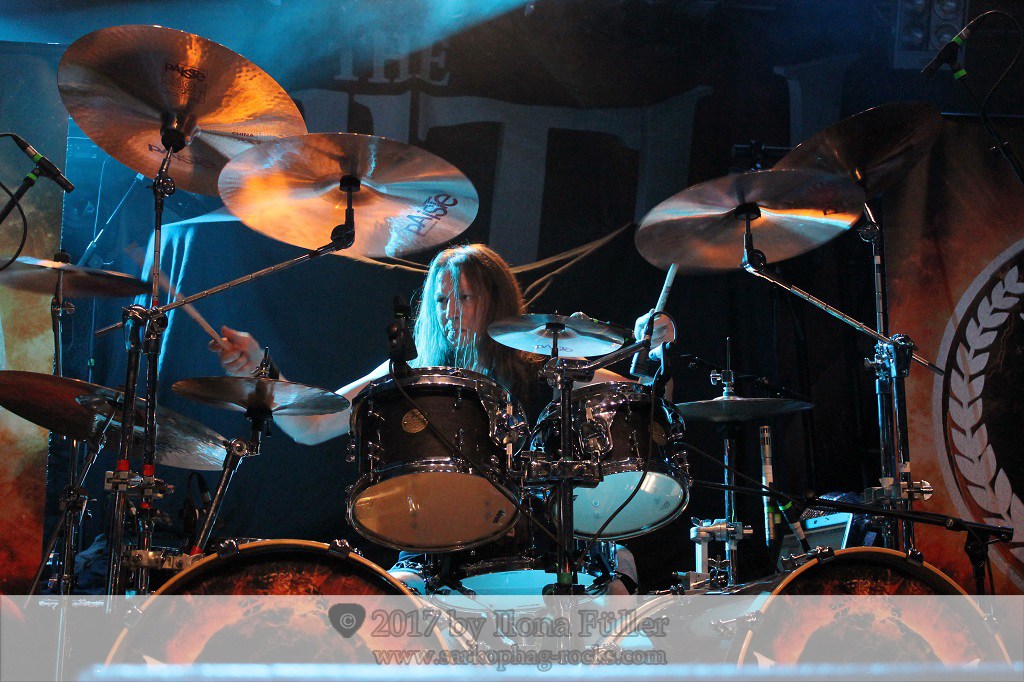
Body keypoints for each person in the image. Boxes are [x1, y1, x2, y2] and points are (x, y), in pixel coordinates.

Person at [210, 243, 672, 594]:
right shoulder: (410, 374)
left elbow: (646, 401)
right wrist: (261, 371)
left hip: (540, 548)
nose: (450, 313)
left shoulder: (544, 366)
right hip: (435, 552)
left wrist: (654, 353)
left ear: (496, 301)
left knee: (617, 577)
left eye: (464, 298)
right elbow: (310, 426)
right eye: (440, 301)